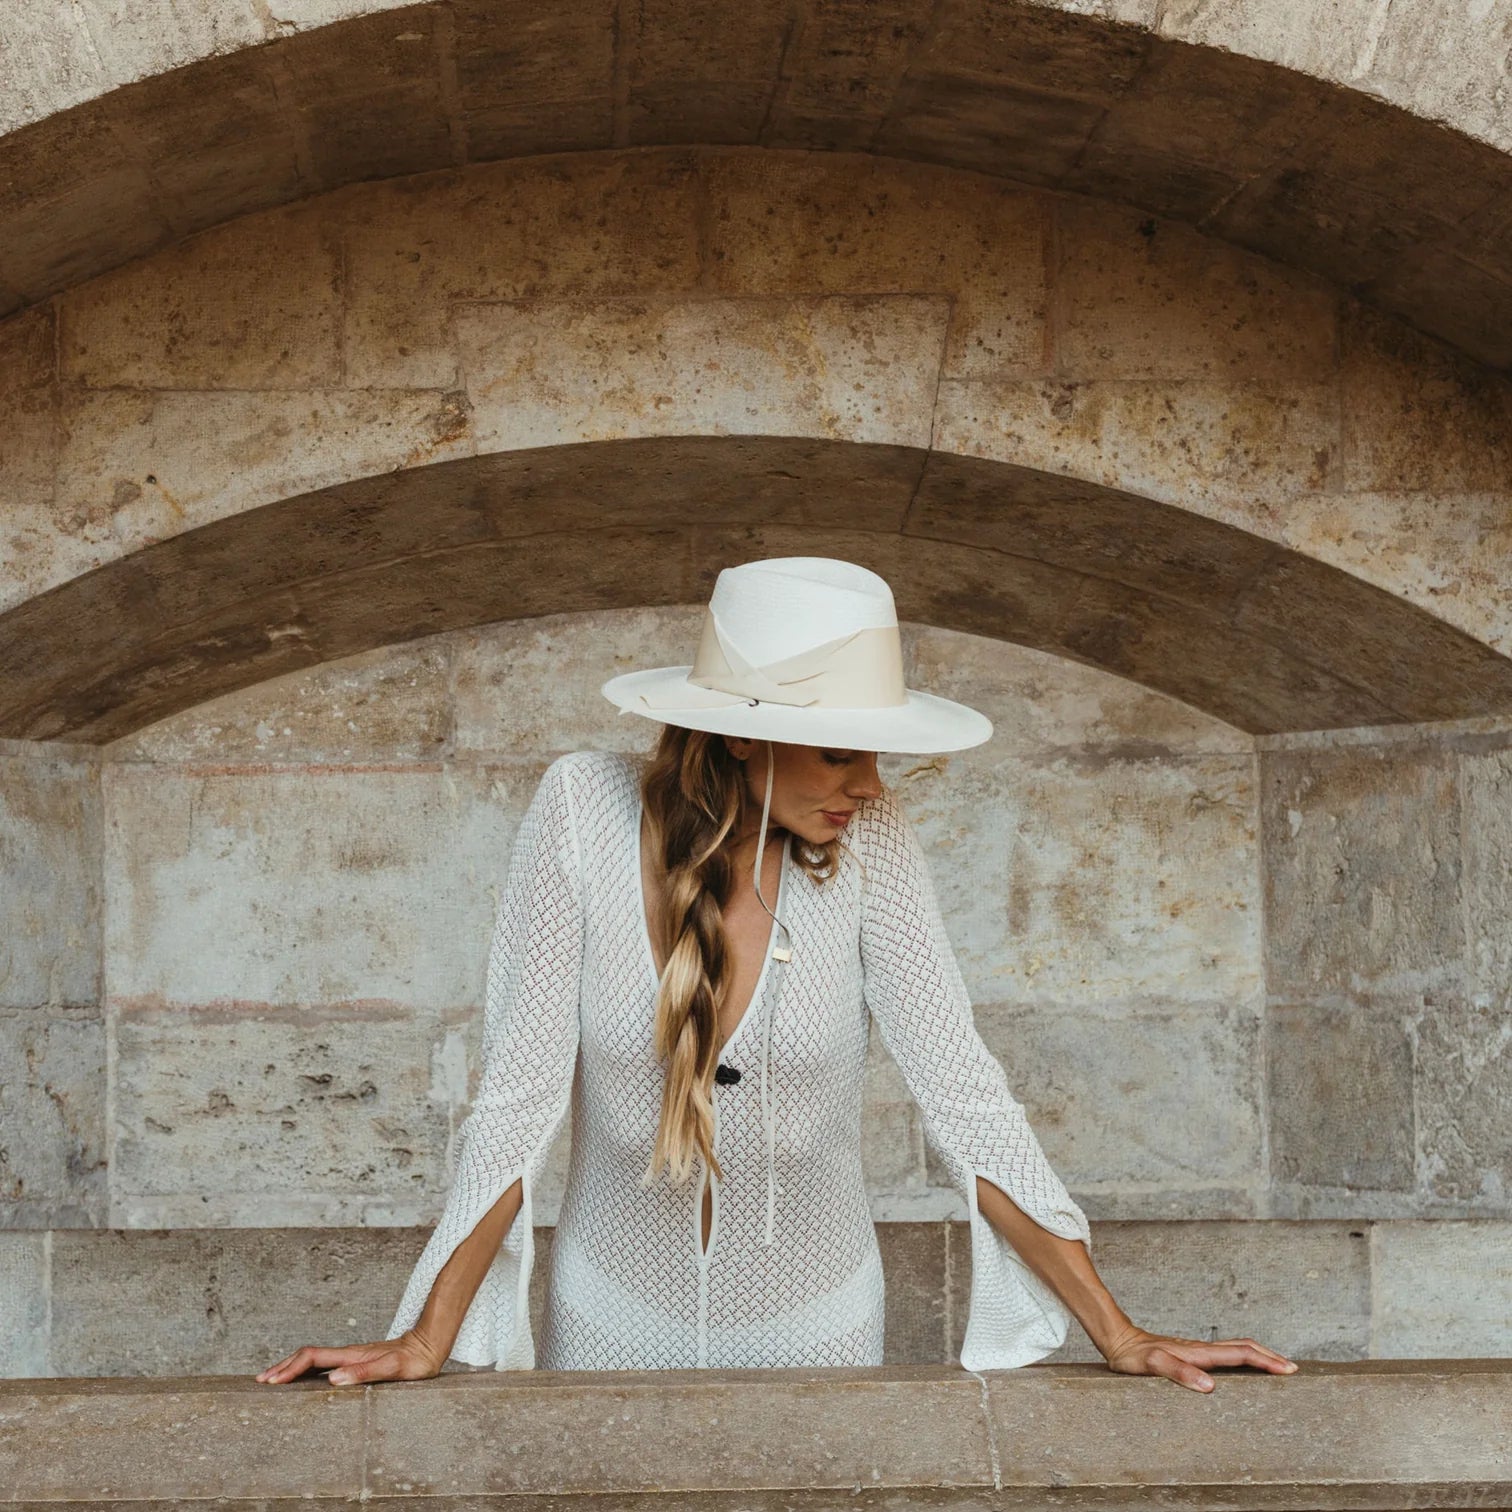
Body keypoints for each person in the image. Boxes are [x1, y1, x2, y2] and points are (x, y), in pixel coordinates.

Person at [256, 556, 1298, 1392]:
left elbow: (966, 1097)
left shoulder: (872, 848)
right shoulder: (582, 809)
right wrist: (426, 1337)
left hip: (822, 1320)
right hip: (612, 1316)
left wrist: (1117, 1334)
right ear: (748, 741)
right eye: (842, 753)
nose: (869, 784)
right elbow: (518, 1102)